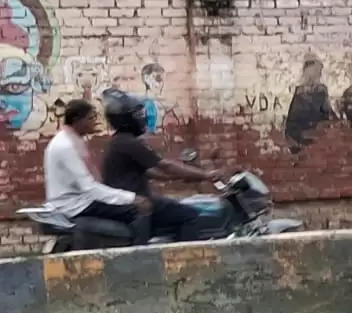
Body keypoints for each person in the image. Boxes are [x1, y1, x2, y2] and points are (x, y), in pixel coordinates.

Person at [101, 89, 223, 242]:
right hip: (135, 202)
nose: (143, 117)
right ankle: (186, 259)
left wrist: (184, 175)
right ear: (127, 118)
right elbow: (165, 165)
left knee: (174, 204)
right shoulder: (129, 143)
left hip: (129, 201)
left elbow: (153, 172)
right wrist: (206, 175)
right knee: (190, 215)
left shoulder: (119, 141)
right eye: (138, 114)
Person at [43, 99, 151, 242]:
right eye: (91, 118)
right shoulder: (66, 145)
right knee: (141, 209)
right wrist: (132, 198)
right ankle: (141, 255)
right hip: (76, 205)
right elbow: (89, 187)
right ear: (77, 120)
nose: (95, 121)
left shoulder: (70, 139)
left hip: (77, 200)